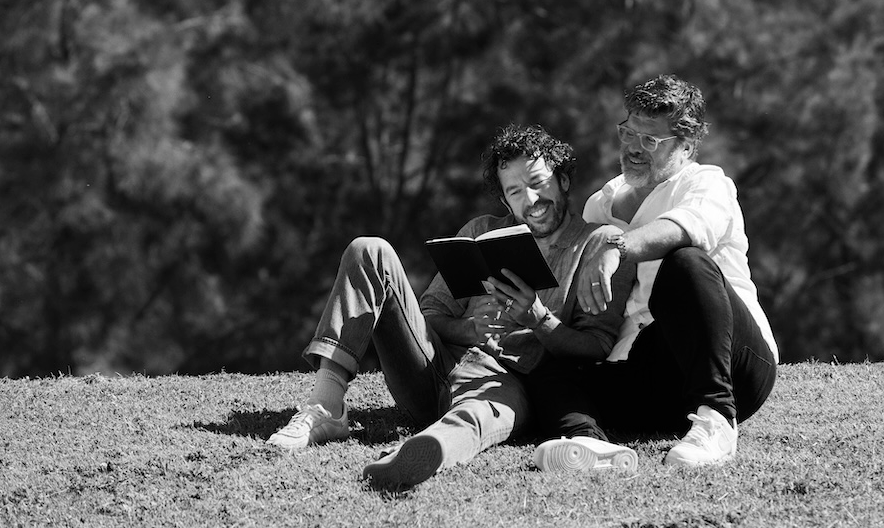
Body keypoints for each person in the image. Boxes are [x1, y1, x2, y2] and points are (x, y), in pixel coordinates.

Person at [266, 124, 634, 489]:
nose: (531, 200)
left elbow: (598, 346)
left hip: (507, 380)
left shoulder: (596, 245)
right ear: (505, 201)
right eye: (516, 191)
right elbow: (429, 317)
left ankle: (420, 453)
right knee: (369, 249)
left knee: (475, 417)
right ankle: (327, 404)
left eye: (538, 183)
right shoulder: (480, 231)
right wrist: (469, 329)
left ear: (563, 181)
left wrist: (538, 319)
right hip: (434, 364)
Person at [529, 74, 779, 471]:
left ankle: (715, 422)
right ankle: (590, 445)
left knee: (684, 262)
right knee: (551, 366)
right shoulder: (601, 204)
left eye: (651, 140)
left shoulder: (707, 183)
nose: (632, 148)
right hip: (645, 369)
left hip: (734, 365)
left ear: (685, 146)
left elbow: (681, 229)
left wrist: (617, 248)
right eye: (628, 132)